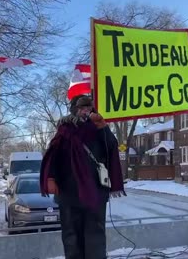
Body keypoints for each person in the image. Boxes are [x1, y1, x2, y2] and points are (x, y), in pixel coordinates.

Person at [40, 95, 125, 259]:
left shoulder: (99, 129)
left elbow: (111, 148)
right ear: (74, 110)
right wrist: (50, 177)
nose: (86, 111)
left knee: (96, 238)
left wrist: (103, 127)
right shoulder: (64, 130)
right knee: (72, 239)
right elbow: (53, 155)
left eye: (88, 108)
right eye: (82, 108)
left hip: (95, 194)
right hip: (68, 193)